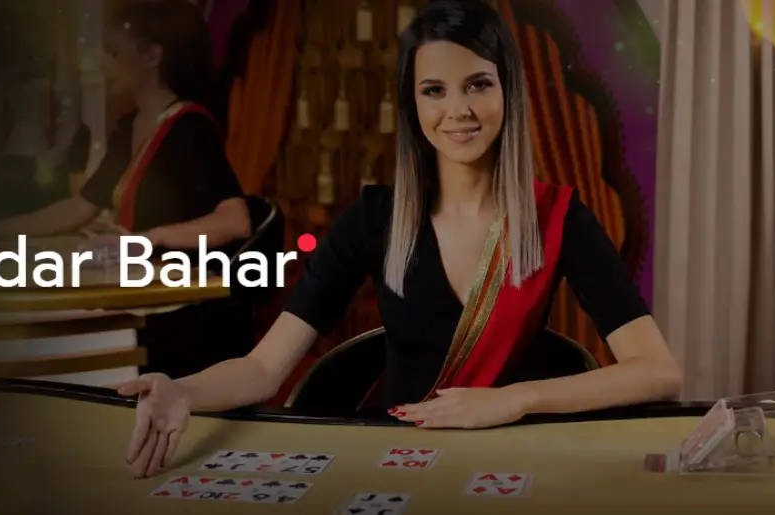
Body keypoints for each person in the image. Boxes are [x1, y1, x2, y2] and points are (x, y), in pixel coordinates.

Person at [115, 0, 683, 479]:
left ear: (508, 91)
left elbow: (658, 371)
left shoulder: (558, 216)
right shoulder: (373, 217)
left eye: (478, 84)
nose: (457, 110)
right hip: (396, 463)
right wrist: (182, 392)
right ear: (412, 106)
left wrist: (516, 399)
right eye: (434, 90)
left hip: (512, 463)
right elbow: (263, 369)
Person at [0, 0, 257, 378]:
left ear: (152, 56)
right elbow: (79, 207)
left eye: (114, 52)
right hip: (146, 301)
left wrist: (147, 240)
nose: (104, 65)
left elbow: (235, 221)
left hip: (186, 314)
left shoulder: (190, 128)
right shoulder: (129, 127)